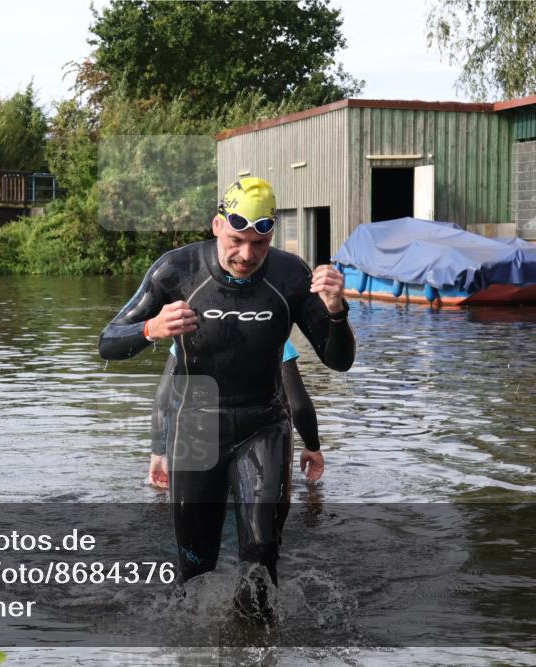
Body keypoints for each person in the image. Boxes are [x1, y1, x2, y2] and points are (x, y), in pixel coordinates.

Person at [98, 176, 354, 621]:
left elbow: (338, 361)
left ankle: (257, 644)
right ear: (217, 225)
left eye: (260, 242)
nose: (247, 255)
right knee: (194, 567)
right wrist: (149, 330)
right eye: (236, 240)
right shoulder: (175, 271)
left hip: (263, 424)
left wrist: (336, 310)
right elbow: (107, 342)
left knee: (261, 554)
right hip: (195, 427)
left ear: (272, 235)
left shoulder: (290, 275)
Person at [148, 339, 323, 489]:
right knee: (260, 518)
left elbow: (163, 399)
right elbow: (298, 405)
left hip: (199, 440)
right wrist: (312, 447)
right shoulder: (276, 333)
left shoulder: (189, 333)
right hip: (259, 441)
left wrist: (158, 453)